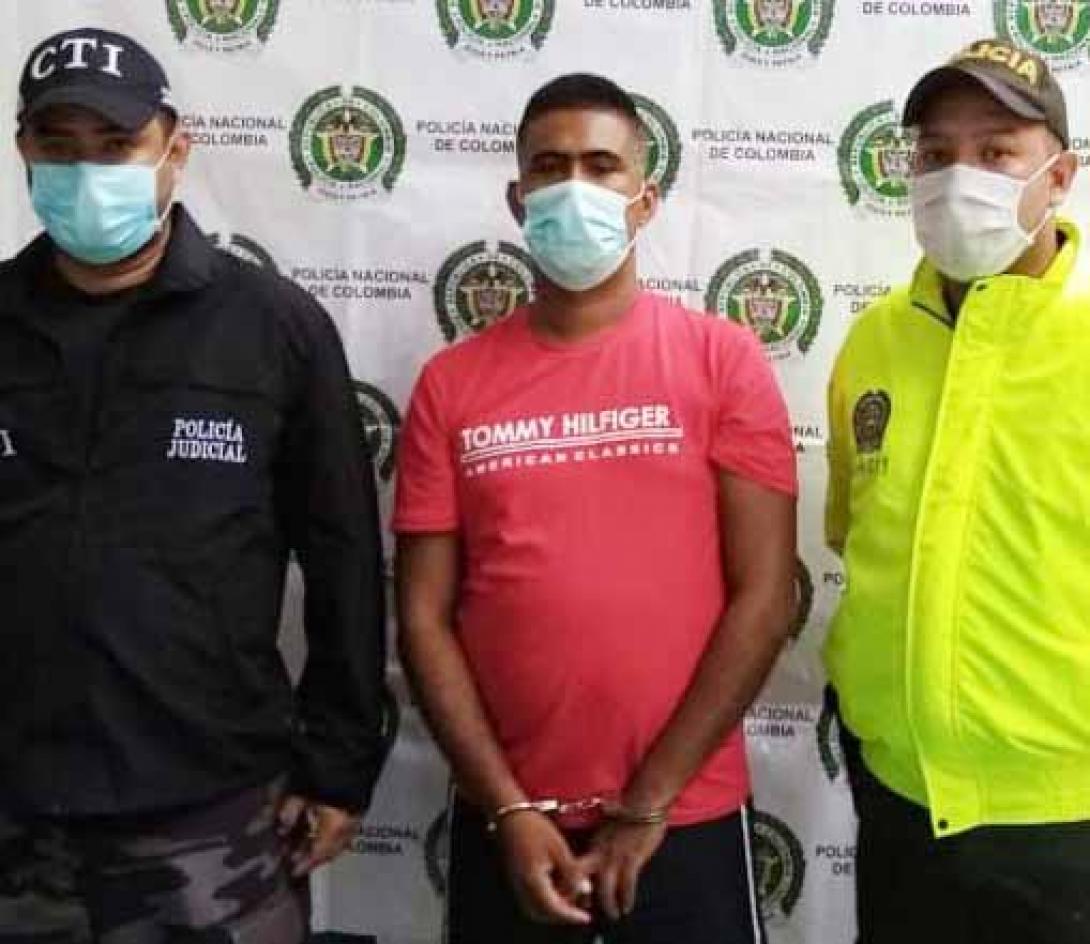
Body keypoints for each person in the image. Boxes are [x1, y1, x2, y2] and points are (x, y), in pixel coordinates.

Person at [0, 28, 389, 943]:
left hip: (212, 814)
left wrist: (340, 764)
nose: (87, 172)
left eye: (116, 144)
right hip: (14, 814)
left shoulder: (274, 328)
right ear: (23, 150)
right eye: (59, 145)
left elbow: (342, 561)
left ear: (176, 148)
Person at [394, 73, 798, 944]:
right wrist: (508, 807)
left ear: (645, 199)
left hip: (684, 817)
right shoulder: (450, 385)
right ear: (518, 198)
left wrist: (650, 801)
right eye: (550, 166)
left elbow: (766, 597)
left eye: (602, 165)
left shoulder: (722, 360)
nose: (575, 186)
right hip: (510, 824)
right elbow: (423, 617)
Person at [822, 38, 1088, 944]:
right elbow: (855, 534)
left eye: (996, 151)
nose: (957, 177)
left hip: (1066, 824)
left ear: (1060, 176)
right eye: (935, 153)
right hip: (898, 803)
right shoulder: (873, 341)